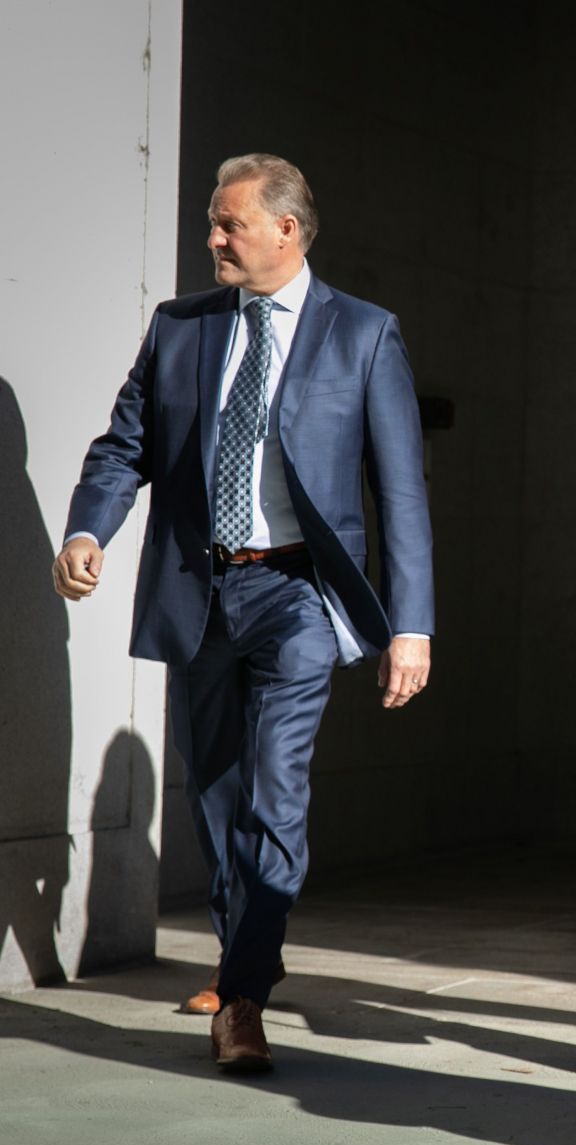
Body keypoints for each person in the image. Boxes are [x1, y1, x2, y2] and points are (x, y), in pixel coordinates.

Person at [52, 154, 433, 1073]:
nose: (212, 239)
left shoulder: (364, 334)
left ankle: (246, 996)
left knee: (276, 788)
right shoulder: (180, 327)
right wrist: (88, 528)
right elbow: (126, 443)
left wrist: (411, 623)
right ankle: (245, 951)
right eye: (212, 224)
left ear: (285, 231)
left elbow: (403, 491)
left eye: (228, 225)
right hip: (198, 587)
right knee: (217, 788)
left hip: (299, 592)